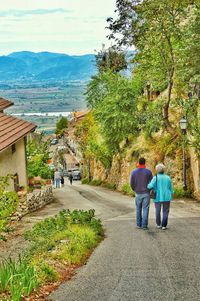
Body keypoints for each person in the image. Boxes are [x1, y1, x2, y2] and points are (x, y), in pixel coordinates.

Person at [147, 163, 173, 230]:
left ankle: (158, 224)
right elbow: (171, 188)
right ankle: (164, 225)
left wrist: (148, 185)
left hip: (157, 196)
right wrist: (172, 193)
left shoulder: (155, 178)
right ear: (163, 170)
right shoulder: (168, 177)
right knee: (165, 211)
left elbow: (150, 186)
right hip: (167, 196)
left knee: (157, 210)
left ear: (157, 170)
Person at [130, 157, 153, 229]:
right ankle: (144, 225)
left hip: (138, 193)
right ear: (144, 163)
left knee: (138, 208)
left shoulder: (134, 172)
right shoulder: (148, 172)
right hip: (146, 193)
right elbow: (151, 183)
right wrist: (149, 190)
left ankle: (139, 224)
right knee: (146, 209)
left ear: (138, 163)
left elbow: (131, 183)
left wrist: (135, 189)